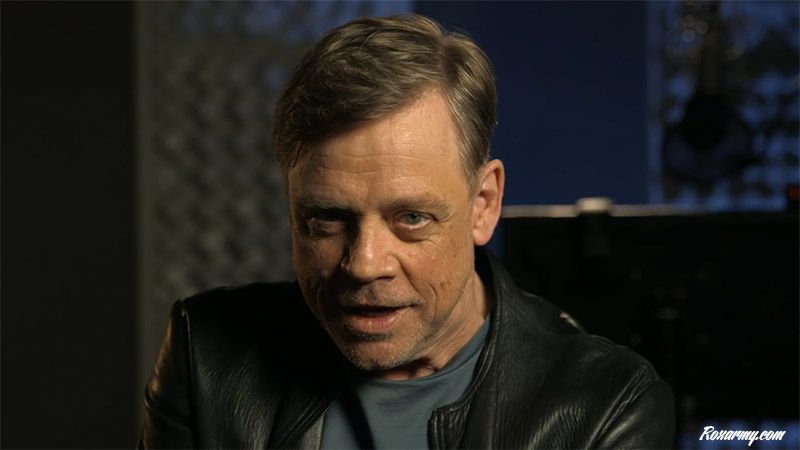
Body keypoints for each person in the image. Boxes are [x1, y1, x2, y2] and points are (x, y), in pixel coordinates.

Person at [139, 14, 674, 449]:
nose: (364, 264)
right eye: (328, 218)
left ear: (483, 205)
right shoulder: (206, 356)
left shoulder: (606, 405)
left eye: (411, 218)